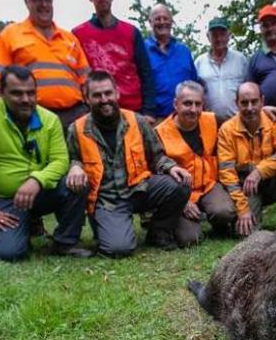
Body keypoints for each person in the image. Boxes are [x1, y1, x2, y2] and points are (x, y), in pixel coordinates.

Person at [0, 65, 92, 260]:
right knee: (9, 253)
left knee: (77, 183)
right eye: (17, 93)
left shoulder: (49, 119)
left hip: (36, 194)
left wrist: (36, 180)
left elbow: (60, 160)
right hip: (1, 198)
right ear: (1, 92)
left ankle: (66, 242)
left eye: (30, 93)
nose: (26, 100)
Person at [66, 70, 191, 257]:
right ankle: (104, 226)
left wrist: (171, 167)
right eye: (97, 95)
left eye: (108, 93)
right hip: (108, 200)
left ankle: (159, 232)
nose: (104, 99)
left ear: (117, 93)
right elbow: (70, 159)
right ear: (87, 99)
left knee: (181, 183)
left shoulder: (137, 121)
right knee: (119, 249)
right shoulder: (76, 129)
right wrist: (74, 165)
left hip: (139, 189)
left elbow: (157, 156)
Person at [0, 0, 91, 129]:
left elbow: (86, 80)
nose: (43, 4)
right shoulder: (10, 34)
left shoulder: (69, 38)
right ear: (27, 1)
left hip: (75, 115)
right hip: (32, 115)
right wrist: (2, 119)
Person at [156, 81, 236, 245]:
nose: (193, 109)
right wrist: (182, 201)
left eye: (198, 104)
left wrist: (263, 110)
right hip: (180, 193)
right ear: (175, 104)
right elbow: (155, 173)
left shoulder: (213, 120)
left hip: (209, 185)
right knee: (190, 239)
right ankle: (165, 223)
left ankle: (218, 223)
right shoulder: (159, 133)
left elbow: (240, 120)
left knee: (225, 212)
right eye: (187, 103)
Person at [217, 82, 276, 237]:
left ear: (262, 101)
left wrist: (259, 172)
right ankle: (243, 216)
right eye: (244, 103)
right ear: (236, 104)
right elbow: (227, 174)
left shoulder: (272, 121)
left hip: (270, 181)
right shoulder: (226, 130)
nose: (249, 108)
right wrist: (242, 209)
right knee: (248, 235)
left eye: (254, 101)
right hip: (247, 187)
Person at [72, 0, 156, 123]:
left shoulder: (131, 31)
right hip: (97, 111)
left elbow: (146, 73)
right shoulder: (78, 34)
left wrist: (149, 111)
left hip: (132, 110)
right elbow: (75, 75)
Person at [144, 3, 198, 119]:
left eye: (165, 18)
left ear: (172, 22)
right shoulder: (142, 51)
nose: (162, 22)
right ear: (150, 22)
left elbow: (194, 84)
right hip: (155, 119)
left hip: (185, 118)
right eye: (157, 19)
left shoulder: (184, 51)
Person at [195, 17, 248, 125]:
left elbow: (249, 89)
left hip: (237, 123)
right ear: (208, 37)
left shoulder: (240, 60)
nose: (219, 39)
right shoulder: (199, 62)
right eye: (214, 35)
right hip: (209, 124)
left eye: (222, 34)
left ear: (229, 35)